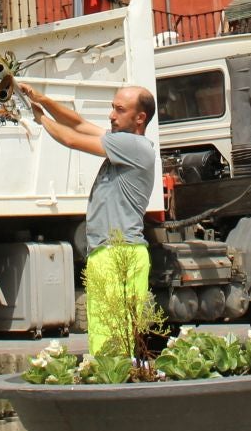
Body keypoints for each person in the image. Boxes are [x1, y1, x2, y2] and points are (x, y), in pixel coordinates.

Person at [19, 80, 157, 360]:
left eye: (120, 110)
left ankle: (111, 394)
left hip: (118, 252)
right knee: (107, 335)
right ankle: (113, 390)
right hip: (113, 251)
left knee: (110, 340)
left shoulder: (133, 145)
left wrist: (39, 117)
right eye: (112, 108)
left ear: (140, 118)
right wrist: (42, 99)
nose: (111, 115)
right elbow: (79, 124)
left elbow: (71, 138)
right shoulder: (123, 142)